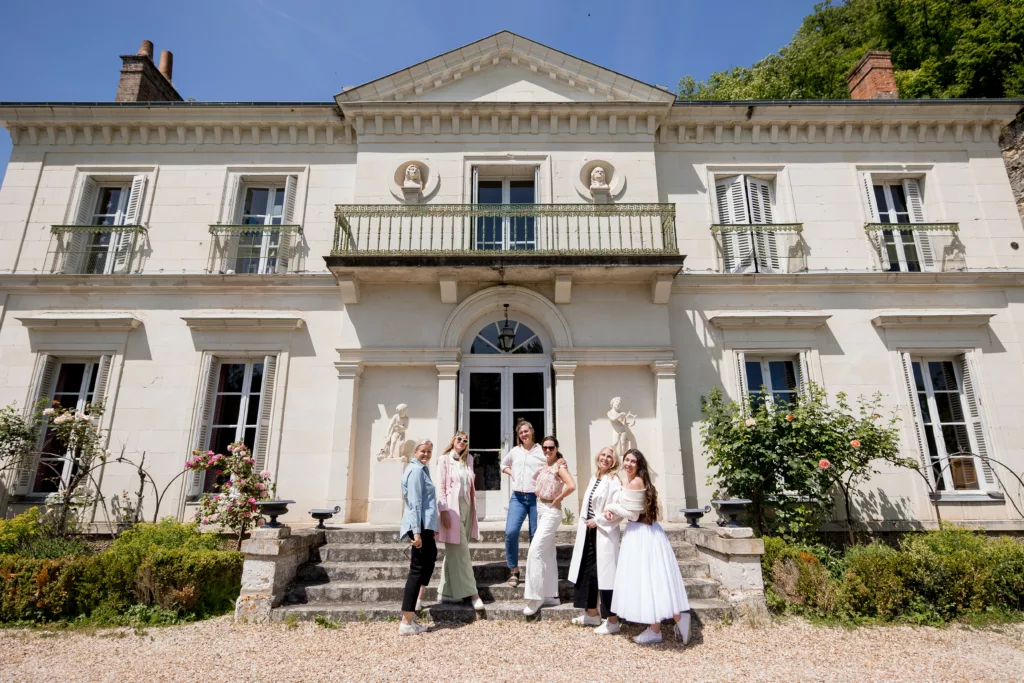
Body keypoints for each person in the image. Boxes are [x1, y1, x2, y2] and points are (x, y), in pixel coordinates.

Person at [606, 448, 691, 645]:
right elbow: (629, 509)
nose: (628, 464)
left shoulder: (636, 482)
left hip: (642, 535)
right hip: (640, 533)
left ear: (639, 465)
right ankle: (659, 627)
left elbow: (634, 515)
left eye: (632, 461)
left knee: (649, 580)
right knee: (650, 582)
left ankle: (670, 622)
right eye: (626, 460)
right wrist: (614, 511)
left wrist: (611, 508)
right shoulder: (628, 481)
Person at [568, 446, 623, 634]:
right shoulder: (595, 477)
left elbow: (616, 510)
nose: (606, 459)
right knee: (589, 572)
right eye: (603, 455)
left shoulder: (614, 480)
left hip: (603, 532)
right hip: (589, 532)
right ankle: (591, 614)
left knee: (606, 576)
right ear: (598, 457)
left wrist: (597, 520)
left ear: (614, 462)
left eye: (610, 457)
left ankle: (612, 621)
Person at [523, 435, 576, 616]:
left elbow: (571, 485)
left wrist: (559, 498)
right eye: (545, 447)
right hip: (541, 509)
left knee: (535, 551)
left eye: (551, 448)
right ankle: (551, 595)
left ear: (556, 448)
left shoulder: (559, 466)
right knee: (547, 552)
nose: (547, 451)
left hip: (551, 511)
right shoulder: (545, 464)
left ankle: (535, 596)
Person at [436, 431, 485, 611]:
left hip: (467, 507)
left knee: (454, 550)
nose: (462, 442)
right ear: (453, 440)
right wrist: (444, 511)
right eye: (459, 439)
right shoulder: (443, 460)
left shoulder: (468, 459)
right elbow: (440, 487)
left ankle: (445, 592)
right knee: (462, 551)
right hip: (452, 509)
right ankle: (473, 594)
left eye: (465, 440)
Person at [398, 440, 439, 636]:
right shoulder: (415, 471)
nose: (426, 454)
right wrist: (416, 532)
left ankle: (413, 610)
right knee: (417, 570)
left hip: (425, 525)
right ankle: (406, 622)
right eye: (423, 451)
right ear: (415, 452)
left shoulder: (422, 470)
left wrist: (432, 527)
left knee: (430, 558)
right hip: (418, 525)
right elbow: (413, 503)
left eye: (429, 451)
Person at [501, 420, 546, 586]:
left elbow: (554, 464)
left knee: (535, 535)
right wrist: (512, 473)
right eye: (521, 433)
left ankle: (535, 571)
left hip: (536, 498)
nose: (524, 435)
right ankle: (514, 570)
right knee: (511, 532)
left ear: (532, 431)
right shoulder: (515, 451)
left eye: (526, 431)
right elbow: (503, 464)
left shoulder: (542, 451)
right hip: (517, 498)